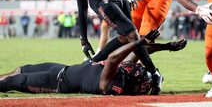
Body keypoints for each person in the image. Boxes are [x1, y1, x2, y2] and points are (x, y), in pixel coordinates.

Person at [0, 30, 187, 95]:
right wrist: (167, 46)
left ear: (132, 78)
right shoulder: (126, 75)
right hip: (63, 68)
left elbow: (114, 59)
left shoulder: (112, 85)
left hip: (56, 82)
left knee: (12, 82)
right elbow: (141, 52)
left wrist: (139, 41)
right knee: (19, 69)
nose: (136, 67)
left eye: (139, 73)